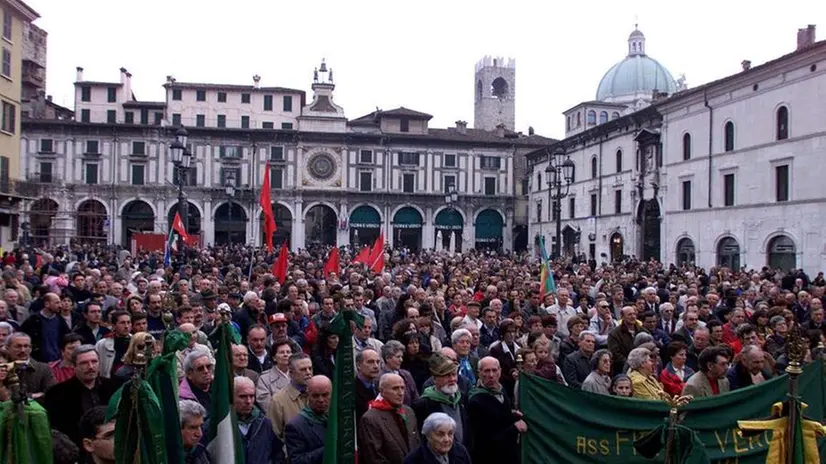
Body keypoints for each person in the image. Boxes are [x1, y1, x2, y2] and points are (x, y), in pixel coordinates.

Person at [43, 344, 117, 447]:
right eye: (84, 363)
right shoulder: (57, 393)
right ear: (74, 366)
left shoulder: (113, 387)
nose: (91, 367)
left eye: (94, 361)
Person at [466, 357, 525, 464]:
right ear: (479, 373)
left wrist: (512, 415)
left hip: (509, 454)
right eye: (487, 371)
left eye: (494, 370)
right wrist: (514, 428)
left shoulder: (501, 390)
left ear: (500, 371)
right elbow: (485, 438)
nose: (491, 375)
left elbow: (501, 419)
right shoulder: (476, 401)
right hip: (490, 457)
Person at [359, 373, 420, 464]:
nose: (401, 393)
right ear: (382, 391)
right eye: (395, 388)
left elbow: (417, 445)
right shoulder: (370, 419)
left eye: (402, 388)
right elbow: (375, 458)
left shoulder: (409, 412)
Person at [413, 351, 468, 446]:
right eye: (446, 375)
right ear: (435, 379)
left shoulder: (462, 398)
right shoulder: (423, 405)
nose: (452, 379)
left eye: (454, 374)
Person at [234, 376, 285, 464]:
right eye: (243, 396)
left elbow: (277, 453)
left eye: (251, 396)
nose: (248, 401)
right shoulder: (220, 425)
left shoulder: (264, 423)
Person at [284, 375, 332, 464]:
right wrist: (329, 448)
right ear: (308, 395)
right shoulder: (295, 426)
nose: (321, 400)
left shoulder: (337, 418)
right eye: (316, 396)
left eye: (325, 395)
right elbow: (297, 461)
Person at [268, 352, 313, 439]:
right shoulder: (278, 400)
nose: (308, 373)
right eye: (303, 369)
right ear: (291, 373)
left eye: (310, 368)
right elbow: (274, 436)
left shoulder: (320, 393)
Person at [404, 412, 472, 464]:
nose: (446, 439)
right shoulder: (413, 460)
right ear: (428, 436)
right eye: (440, 434)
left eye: (450, 434)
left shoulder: (461, 451)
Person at [6, 332, 54, 398]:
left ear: (31, 348)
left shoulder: (43, 369)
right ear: (8, 348)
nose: (23, 350)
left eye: (26, 346)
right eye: (18, 346)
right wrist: (33, 395)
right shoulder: (3, 368)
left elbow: (52, 393)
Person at [257, 337, 293, 413]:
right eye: (282, 352)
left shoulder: (299, 374)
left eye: (288, 352)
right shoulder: (264, 379)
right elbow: (266, 405)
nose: (286, 355)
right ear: (274, 358)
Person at [381, 340, 420, 406]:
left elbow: (416, 399)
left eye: (401, 357)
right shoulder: (379, 378)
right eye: (398, 357)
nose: (401, 360)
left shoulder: (407, 375)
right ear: (387, 358)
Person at [179, 399, 211, 464]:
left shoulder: (201, 452)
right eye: (193, 428)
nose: (199, 434)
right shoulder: (166, 457)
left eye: (201, 426)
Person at [355, 348, 381, 422]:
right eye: (370, 362)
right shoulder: (351, 390)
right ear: (359, 365)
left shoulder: (381, 387)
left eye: (378, 362)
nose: (376, 366)